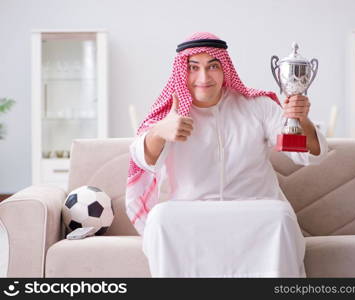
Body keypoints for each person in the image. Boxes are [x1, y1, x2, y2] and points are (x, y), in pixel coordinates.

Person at [125, 32, 328, 277]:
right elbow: (142, 160)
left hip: (255, 215)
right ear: (182, 72)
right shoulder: (172, 113)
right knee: (160, 218)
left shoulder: (257, 106)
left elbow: (307, 155)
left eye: (212, 66)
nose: (203, 77)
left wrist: (301, 119)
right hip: (193, 219)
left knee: (281, 215)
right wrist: (159, 131)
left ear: (225, 69)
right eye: (193, 67)